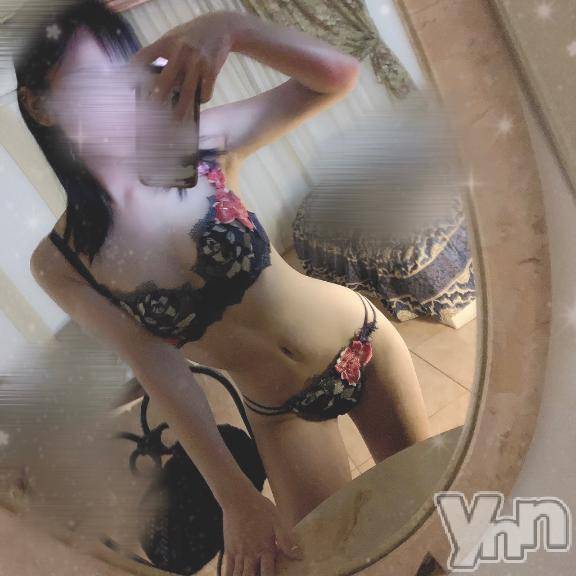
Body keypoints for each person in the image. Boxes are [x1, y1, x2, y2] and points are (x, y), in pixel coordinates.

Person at [19, 1, 431, 575]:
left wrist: (232, 27)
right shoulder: (62, 262)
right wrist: (235, 498)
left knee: (435, 512)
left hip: (361, 343)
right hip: (279, 412)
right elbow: (159, 368)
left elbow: (336, 77)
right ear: (39, 105)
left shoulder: (200, 141)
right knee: (330, 562)